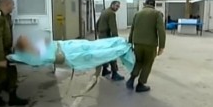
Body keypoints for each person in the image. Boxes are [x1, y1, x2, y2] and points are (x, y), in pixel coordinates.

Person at [7, 35, 135, 74]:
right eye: (26, 42)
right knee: (94, 52)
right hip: (69, 54)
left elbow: (48, 42)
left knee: (93, 45)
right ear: (24, 48)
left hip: (68, 45)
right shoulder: (35, 57)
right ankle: (121, 47)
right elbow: (54, 57)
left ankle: (119, 43)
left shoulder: (38, 48)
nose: (29, 41)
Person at [126, 0, 166, 93]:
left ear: (145, 4)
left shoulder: (137, 14)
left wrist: (130, 42)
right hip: (150, 44)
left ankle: (131, 80)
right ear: (154, 5)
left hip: (137, 43)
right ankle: (140, 84)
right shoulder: (157, 14)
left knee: (139, 62)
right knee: (147, 63)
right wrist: (161, 46)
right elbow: (161, 30)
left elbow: (132, 29)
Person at [96, 1, 124, 81]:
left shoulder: (104, 11)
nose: (117, 8)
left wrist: (99, 32)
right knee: (112, 54)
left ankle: (105, 70)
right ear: (112, 5)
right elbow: (113, 27)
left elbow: (97, 23)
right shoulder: (111, 13)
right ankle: (114, 74)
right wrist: (116, 40)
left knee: (105, 54)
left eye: (118, 6)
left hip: (101, 35)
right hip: (106, 36)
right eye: (116, 6)